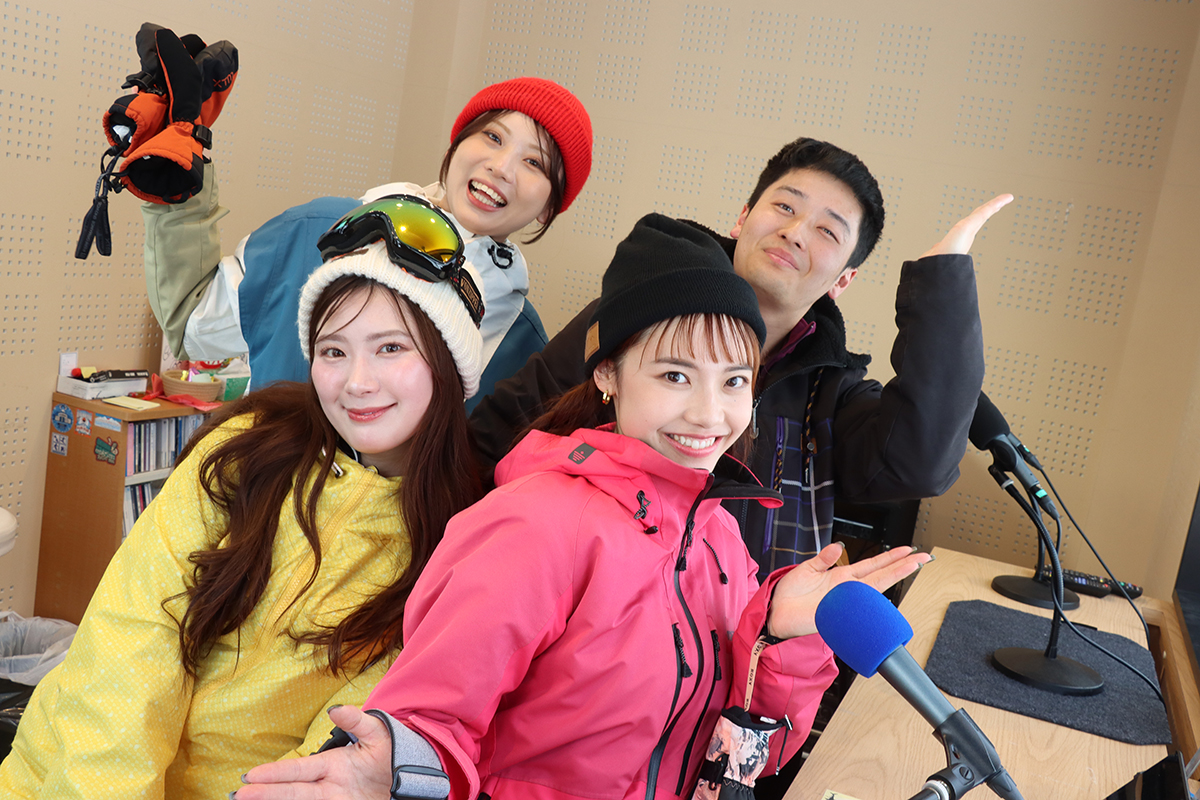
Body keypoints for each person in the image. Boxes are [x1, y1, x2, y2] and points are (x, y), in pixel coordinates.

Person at [235, 214, 932, 800]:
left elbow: (741, 763)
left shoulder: (719, 539)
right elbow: (432, 722)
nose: (709, 413)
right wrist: (392, 765)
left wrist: (776, 636)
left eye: (733, 381)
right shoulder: (533, 525)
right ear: (608, 376)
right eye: (674, 375)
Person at [0, 200, 487, 799]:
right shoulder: (248, 448)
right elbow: (132, 637)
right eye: (333, 351)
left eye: (390, 348)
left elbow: (332, 752)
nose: (357, 382)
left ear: (448, 361)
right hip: (69, 776)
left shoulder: (458, 545)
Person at [470, 137, 1012, 575]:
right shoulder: (636, 318)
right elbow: (497, 438)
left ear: (843, 280)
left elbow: (920, 463)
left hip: (752, 651)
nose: (794, 233)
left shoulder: (831, 392)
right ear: (743, 217)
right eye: (784, 207)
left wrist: (942, 285)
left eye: (827, 230)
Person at [144, 76, 593, 408]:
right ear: (455, 146)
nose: (502, 167)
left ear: (548, 208)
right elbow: (194, 328)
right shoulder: (317, 230)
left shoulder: (522, 347)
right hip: (261, 499)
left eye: (535, 163)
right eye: (493, 137)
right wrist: (179, 197)